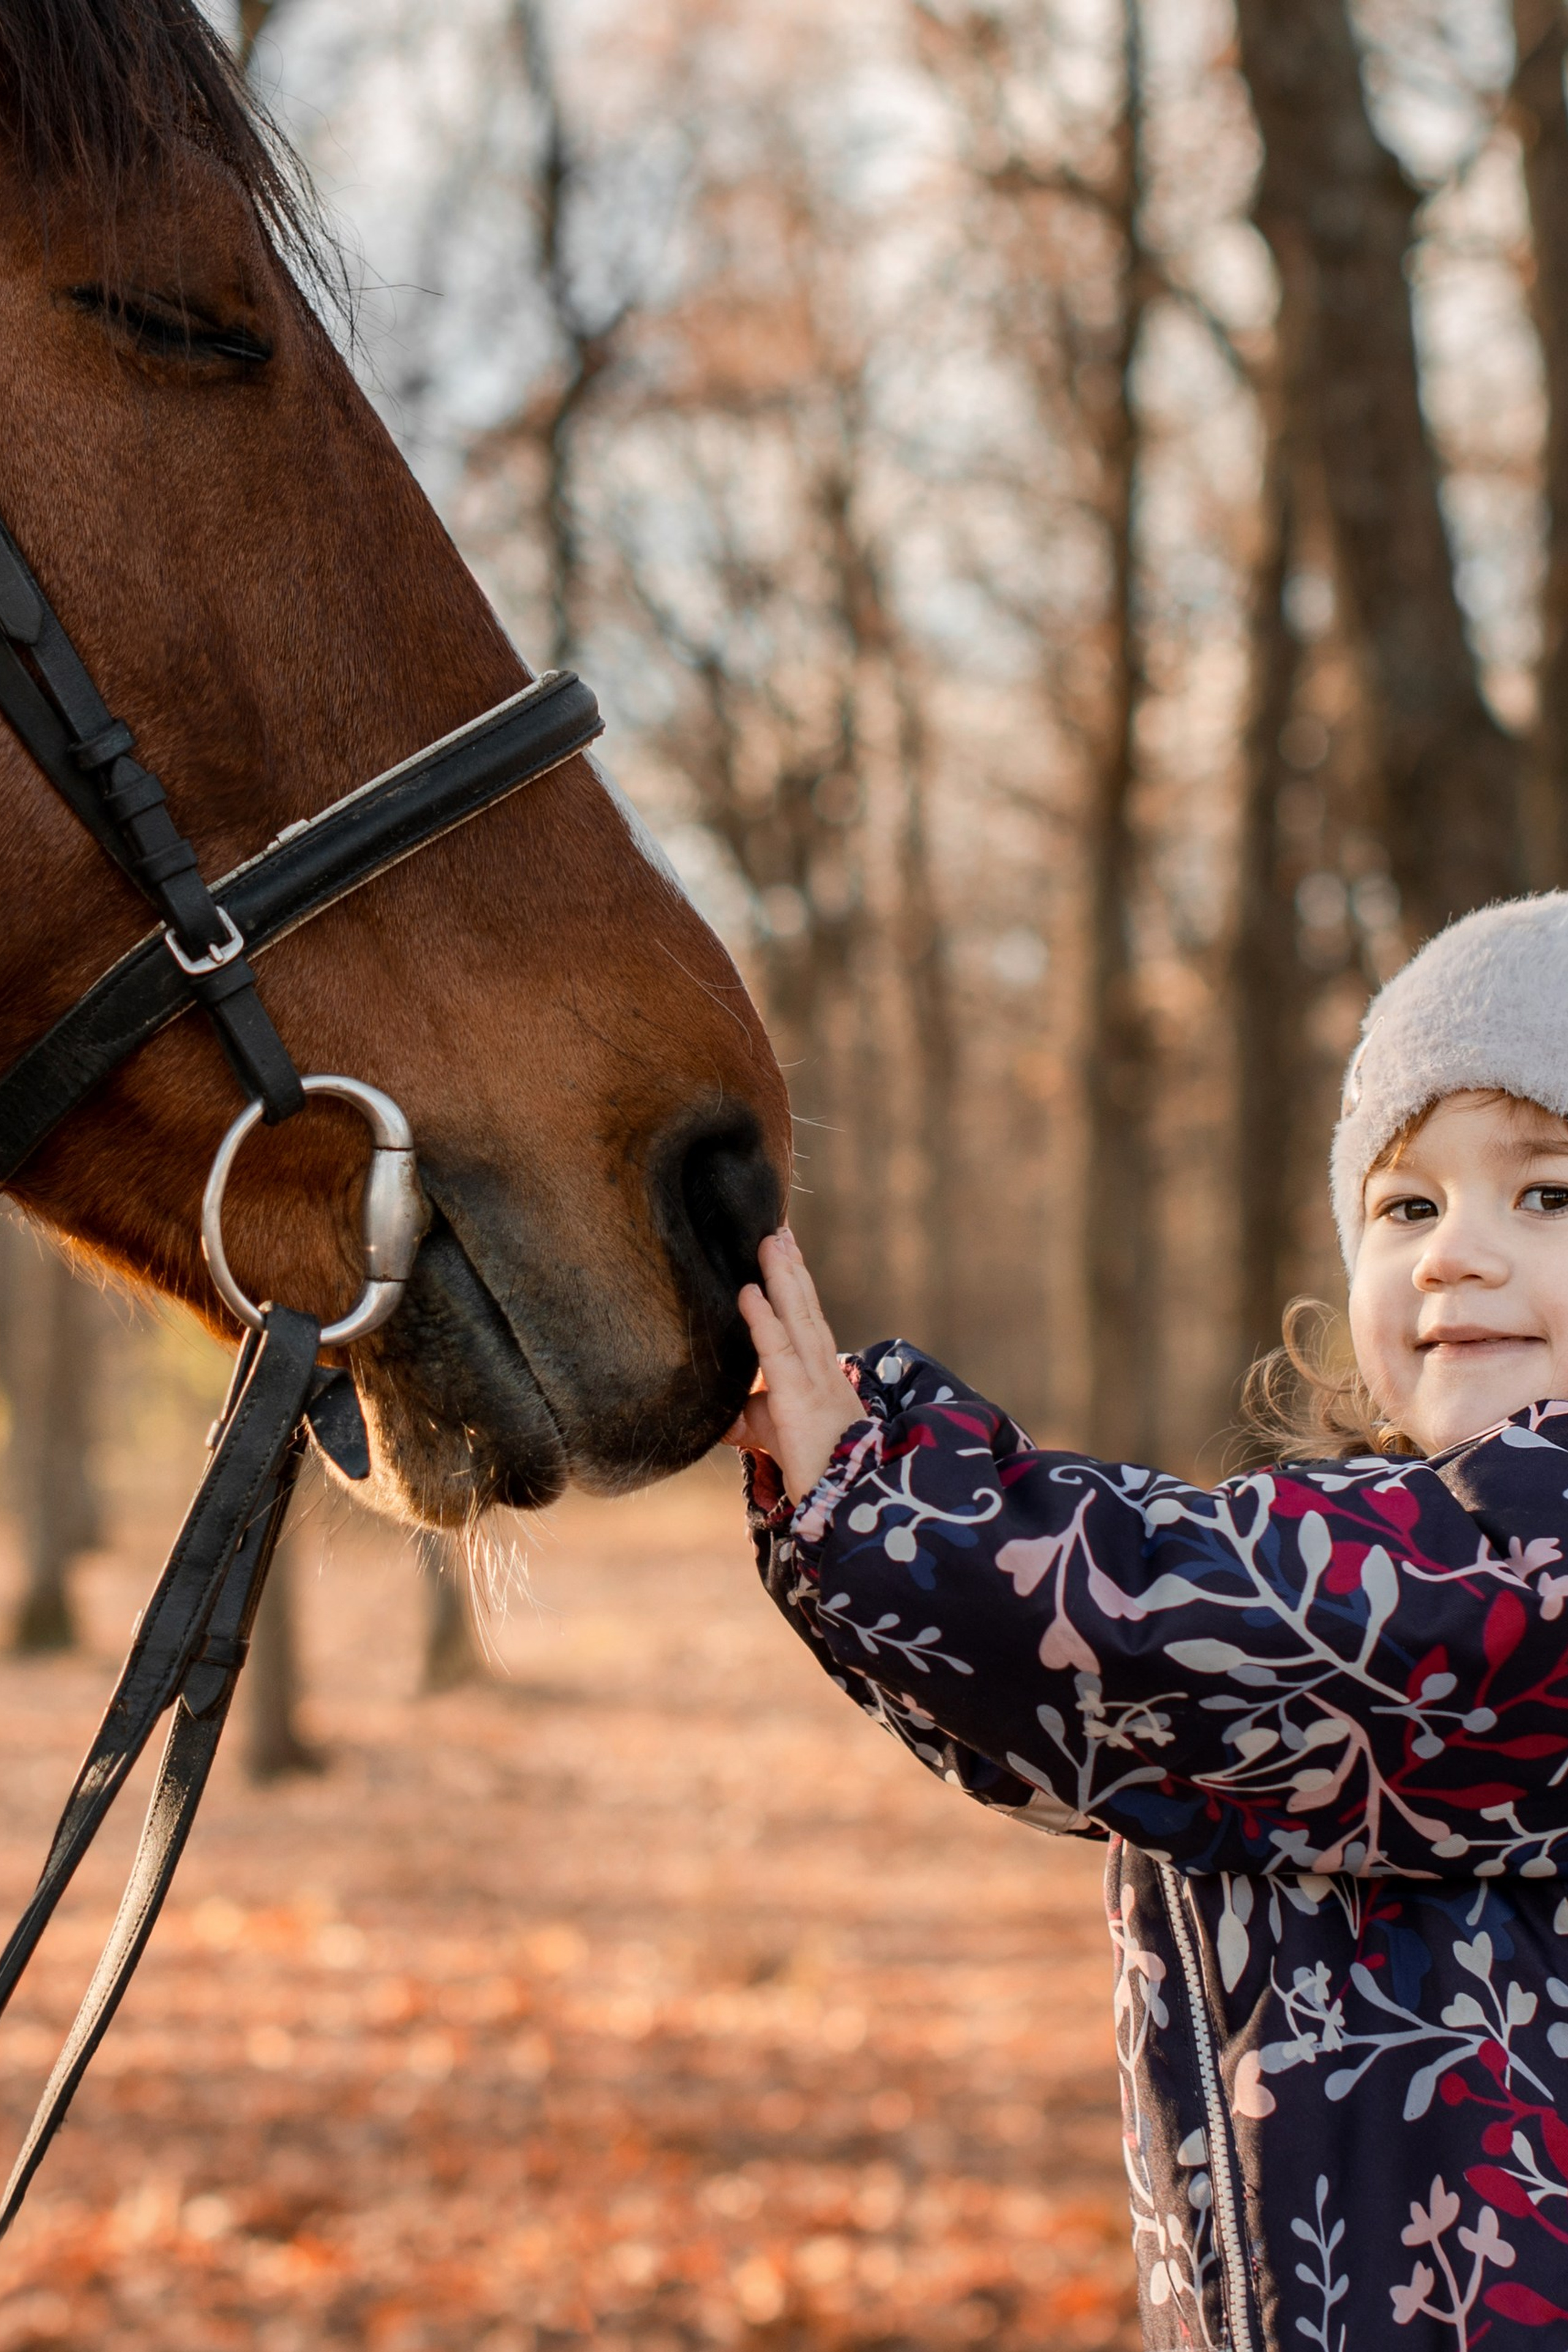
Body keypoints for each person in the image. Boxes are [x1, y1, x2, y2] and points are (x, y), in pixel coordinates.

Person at [726, 894, 1568, 2351]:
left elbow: (1179, 1630)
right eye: (1405, 1206)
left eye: (1547, 1193)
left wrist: (876, 1493)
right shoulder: (1395, 1532)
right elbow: (1089, 1734)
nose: (1453, 1254)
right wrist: (835, 1527)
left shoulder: (1525, 1563)